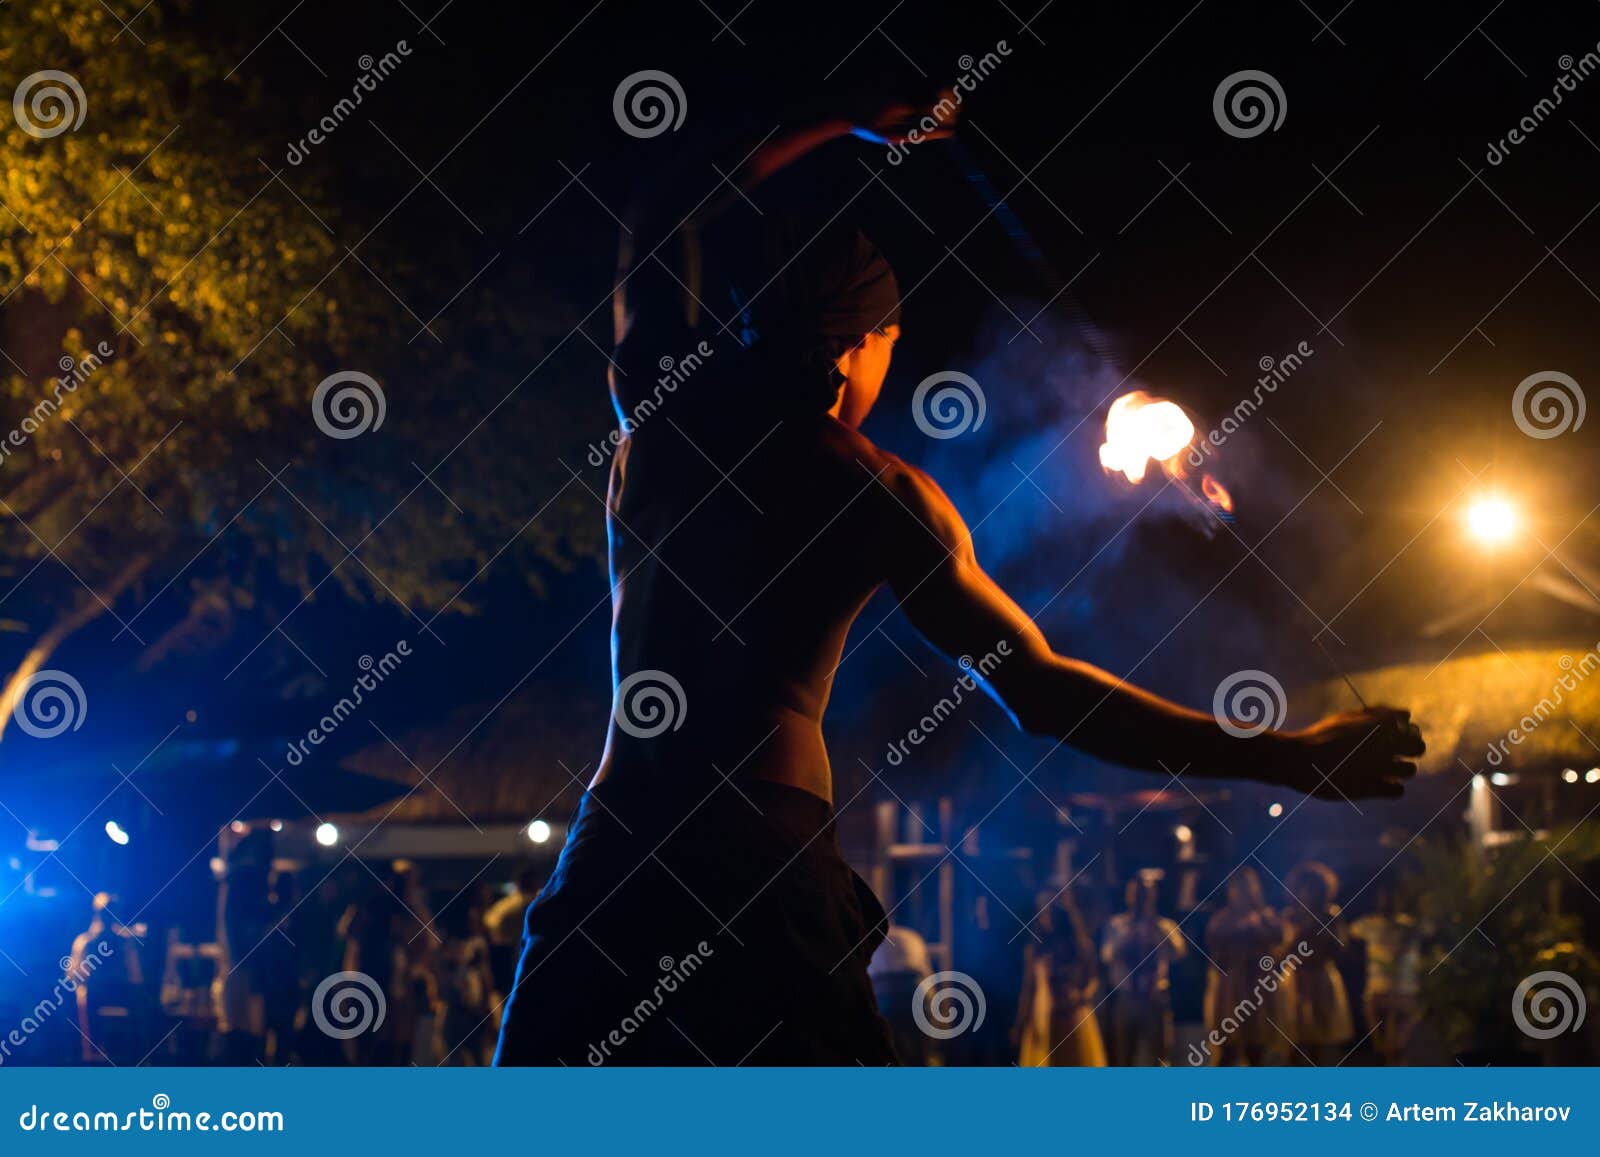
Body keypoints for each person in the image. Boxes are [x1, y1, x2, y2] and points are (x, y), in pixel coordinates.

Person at [492, 91, 1425, 1066]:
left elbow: (661, 204)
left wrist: (841, 116)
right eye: (888, 350)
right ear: (857, 344)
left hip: (620, 845)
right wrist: (1286, 755)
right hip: (761, 859)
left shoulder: (659, 418)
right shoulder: (878, 494)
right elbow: (1043, 691)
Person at [1016, 887, 1107, 1066]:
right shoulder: (1035, 948)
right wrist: (1022, 1021)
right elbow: (1029, 987)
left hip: (1072, 1015)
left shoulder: (1079, 945)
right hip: (1042, 1012)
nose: (1047, 919)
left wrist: (1082, 997)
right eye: (1043, 914)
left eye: (1050, 913)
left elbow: (1093, 977)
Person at [1203, 868, 1286, 1066]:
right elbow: (1215, 951)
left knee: (1256, 1048)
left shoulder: (1266, 917)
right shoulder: (1222, 919)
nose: (1243, 891)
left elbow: (1279, 942)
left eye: (1247, 886)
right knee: (1227, 1048)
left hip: (1258, 988)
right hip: (1231, 988)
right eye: (1238, 887)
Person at [1103, 872, 1187, 1065]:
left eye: (1145, 893)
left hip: (1154, 998)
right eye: (1137, 893)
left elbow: (1179, 953)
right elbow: (1107, 955)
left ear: (1153, 896)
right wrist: (1129, 936)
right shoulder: (1117, 925)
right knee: (1124, 1057)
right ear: (1129, 896)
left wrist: (1155, 931)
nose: (1141, 898)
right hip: (1126, 998)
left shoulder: (1164, 926)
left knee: (1160, 1057)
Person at [1282, 860, 1354, 1065]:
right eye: (1304, 887)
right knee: (1292, 1039)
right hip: (1294, 980)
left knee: (1318, 1040)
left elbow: (1341, 949)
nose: (1307, 892)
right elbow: (1283, 951)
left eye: (1312, 887)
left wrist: (1316, 931)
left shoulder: (1330, 915)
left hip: (1321, 979)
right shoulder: (1290, 915)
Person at [1349, 885, 1422, 1065]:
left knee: (1393, 1048)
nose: (1386, 902)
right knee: (1387, 1049)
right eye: (1383, 897)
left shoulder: (1408, 925)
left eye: (1389, 897)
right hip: (1383, 991)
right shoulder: (1370, 924)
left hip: (1398, 992)